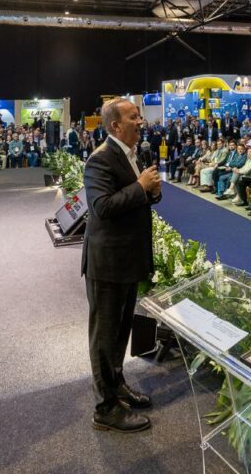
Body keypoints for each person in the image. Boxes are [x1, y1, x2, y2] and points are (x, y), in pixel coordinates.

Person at [82, 98, 161, 434]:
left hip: (126, 259)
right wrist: (140, 187)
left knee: (120, 332)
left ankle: (117, 384)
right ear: (115, 125)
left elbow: (137, 195)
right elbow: (102, 206)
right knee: (104, 337)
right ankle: (106, 408)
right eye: (134, 117)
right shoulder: (99, 160)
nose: (140, 121)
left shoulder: (131, 153)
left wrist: (150, 191)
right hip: (108, 262)